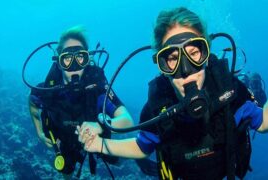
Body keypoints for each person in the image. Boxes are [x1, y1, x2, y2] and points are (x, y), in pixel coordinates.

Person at [77, 7, 268, 179]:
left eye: (193, 54)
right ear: (162, 66)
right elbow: (143, 146)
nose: (185, 70)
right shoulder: (157, 107)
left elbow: (263, 123)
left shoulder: (229, 91)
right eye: (173, 58)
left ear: (206, 55)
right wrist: (99, 145)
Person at [28, 26, 133, 179]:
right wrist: (40, 133)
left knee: (118, 161)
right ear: (59, 61)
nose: (74, 66)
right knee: (66, 172)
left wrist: (100, 126)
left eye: (80, 57)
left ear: (87, 59)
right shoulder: (47, 91)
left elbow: (127, 120)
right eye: (67, 58)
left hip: (96, 138)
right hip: (64, 141)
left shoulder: (97, 90)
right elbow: (31, 102)